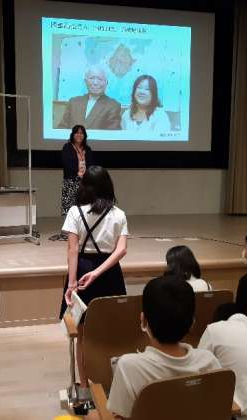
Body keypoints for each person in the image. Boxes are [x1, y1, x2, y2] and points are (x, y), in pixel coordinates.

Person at [103, 276, 221, 419]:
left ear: (143, 320)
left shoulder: (129, 367)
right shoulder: (209, 362)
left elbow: (120, 415)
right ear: (192, 323)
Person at [60, 165, 128, 398]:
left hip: (81, 270)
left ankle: (85, 387)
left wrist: (72, 284)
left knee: (82, 335)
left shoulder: (75, 212)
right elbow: (121, 251)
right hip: (110, 273)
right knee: (110, 330)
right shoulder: (119, 214)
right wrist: (98, 272)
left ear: (85, 186)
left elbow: (72, 250)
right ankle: (110, 382)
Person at [50, 125, 93, 241]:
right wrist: (77, 173)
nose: (79, 135)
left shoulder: (87, 149)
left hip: (85, 181)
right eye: (77, 133)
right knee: (69, 206)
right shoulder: (67, 147)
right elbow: (66, 162)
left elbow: (91, 164)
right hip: (71, 180)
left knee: (84, 206)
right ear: (73, 135)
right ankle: (67, 233)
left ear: (84, 135)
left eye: (82, 133)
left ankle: (84, 232)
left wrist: (86, 174)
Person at [58, 65, 121, 130]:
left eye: (100, 79)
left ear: (106, 82)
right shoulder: (74, 102)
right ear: (85, 81)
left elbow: (112, 134)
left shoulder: (113, 106)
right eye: (92, 78)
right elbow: (61, 128)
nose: (95, 83)